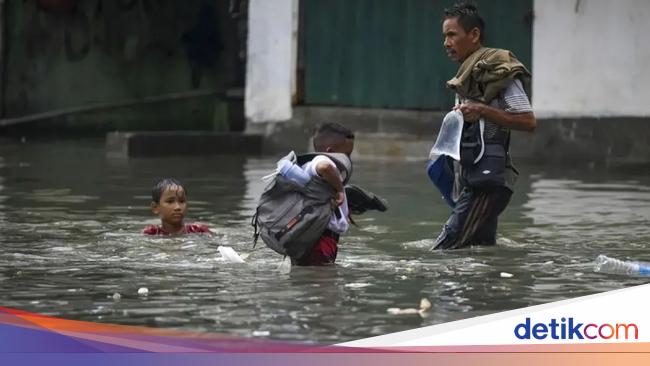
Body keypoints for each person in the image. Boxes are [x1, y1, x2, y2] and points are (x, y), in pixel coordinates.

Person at [432, 2, 536, 250]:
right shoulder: (466, 76)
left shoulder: (499, 69)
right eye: (444, 36)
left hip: (488, 183)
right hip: (474, 178)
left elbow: (528, 120)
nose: (446, 43)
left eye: (452, 35)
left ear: (474, 35)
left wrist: (482, 110)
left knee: (445, 249)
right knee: (480, 251)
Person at [293, 122, 355, 266]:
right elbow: (324, 167)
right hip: (319, 241)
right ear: (329, 150)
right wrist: (340, 190)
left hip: (313, 238)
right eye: (346, 154)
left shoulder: (308, 166)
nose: (348, 160)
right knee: (324, 285)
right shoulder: (323, 159)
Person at [143, 178, 213, 235]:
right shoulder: (151, 233)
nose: (178, 207)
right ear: (155, 208)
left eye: (182, 201)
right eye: (170, 201)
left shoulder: (199, 230)